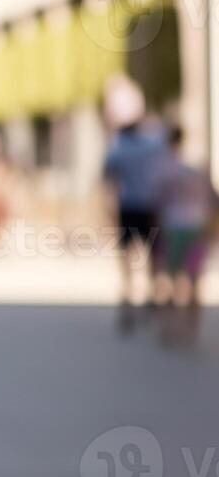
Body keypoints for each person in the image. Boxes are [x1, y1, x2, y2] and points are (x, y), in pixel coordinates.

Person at [149, 127, 217, 345]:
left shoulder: (165, 169)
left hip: (173, 226)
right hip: (196, 226)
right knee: (193, 279)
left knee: (168, 276)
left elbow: (157, 201)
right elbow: (214, 201)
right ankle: (191, 329)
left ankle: (168, 327)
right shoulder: (198, 171)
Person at [102, 114, 167, 322]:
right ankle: (151, 293)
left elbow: (108, 180)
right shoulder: (151, 149)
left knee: (127, 254)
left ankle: (128, 294)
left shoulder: (119, 151)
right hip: (149, 206)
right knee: (151, 253)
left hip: (129, 205)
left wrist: (108, 210)